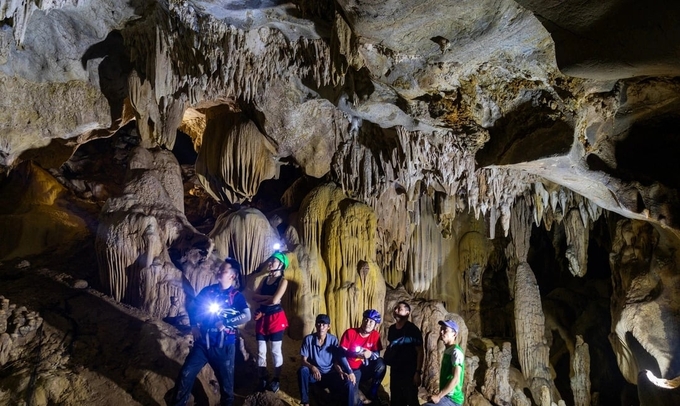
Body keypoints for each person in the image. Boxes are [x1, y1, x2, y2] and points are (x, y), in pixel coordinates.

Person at [172, 258, 251, 406]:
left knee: (226, 388)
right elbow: (193, 307)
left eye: (224, 270)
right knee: (186, 373)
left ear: (232, 276)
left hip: (224, 346)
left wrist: (227, 322)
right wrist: (194, 325)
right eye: (220, 268)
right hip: (203, 343)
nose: (219, 271)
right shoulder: (208, 291)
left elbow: (247, 315)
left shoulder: (236, 296)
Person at [251, 251, 290, 392]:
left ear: (281, 265)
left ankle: (276, 379)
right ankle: (262, 377)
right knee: (261, 351)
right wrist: (268, 298)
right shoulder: (264, 279)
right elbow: (255, 296)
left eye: (272, 261)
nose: (269, 263)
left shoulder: (283, 281)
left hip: (276, 319)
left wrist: (267, 299)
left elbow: (275, 301)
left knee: (275, 351)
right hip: (262, 317)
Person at [338, 309, 386, 406]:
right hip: (352, 369)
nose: (367, 323)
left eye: (371, 321)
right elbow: (340, 354)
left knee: (381, 364)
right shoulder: (350, 333)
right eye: (366, 319)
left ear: (376, 325)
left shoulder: (375, 335)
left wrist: (370, 354)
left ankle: (372, 393)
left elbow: (377, 355)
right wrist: (350, 370)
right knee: (354, 401)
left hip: (365, 368)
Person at [298, 314, 342, 406]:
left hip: (329, 374)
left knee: (341, 382)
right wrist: (312, 367)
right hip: (315, 375)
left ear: (328, 327)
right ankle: (305, 401)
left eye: (324, 325)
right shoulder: (308, 339)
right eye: (318, 324)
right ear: (315, 325)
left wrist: (340, 371)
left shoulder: (333, 340)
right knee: (302, 370)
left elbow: (335, 361)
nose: (321, 327)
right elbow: (303, 361)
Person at [385, 301, 423, 406]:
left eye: (399, 309)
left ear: (407, 313)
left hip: (409, 372)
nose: (396, 310)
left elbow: (420, 351)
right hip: (396, 370)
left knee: (411, 399)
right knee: (396, 400)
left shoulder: (413, 330)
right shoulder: (392, 329)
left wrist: (418, 372)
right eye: (395, 308)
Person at [423, 320, 465, 406]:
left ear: (454, 334)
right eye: (441, 329)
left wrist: (439, 396)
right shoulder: (448, 351)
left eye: (445, 330)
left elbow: (456, 378)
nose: (441, 332)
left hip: (453, 399)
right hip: (446, 396)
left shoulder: (456, 352)